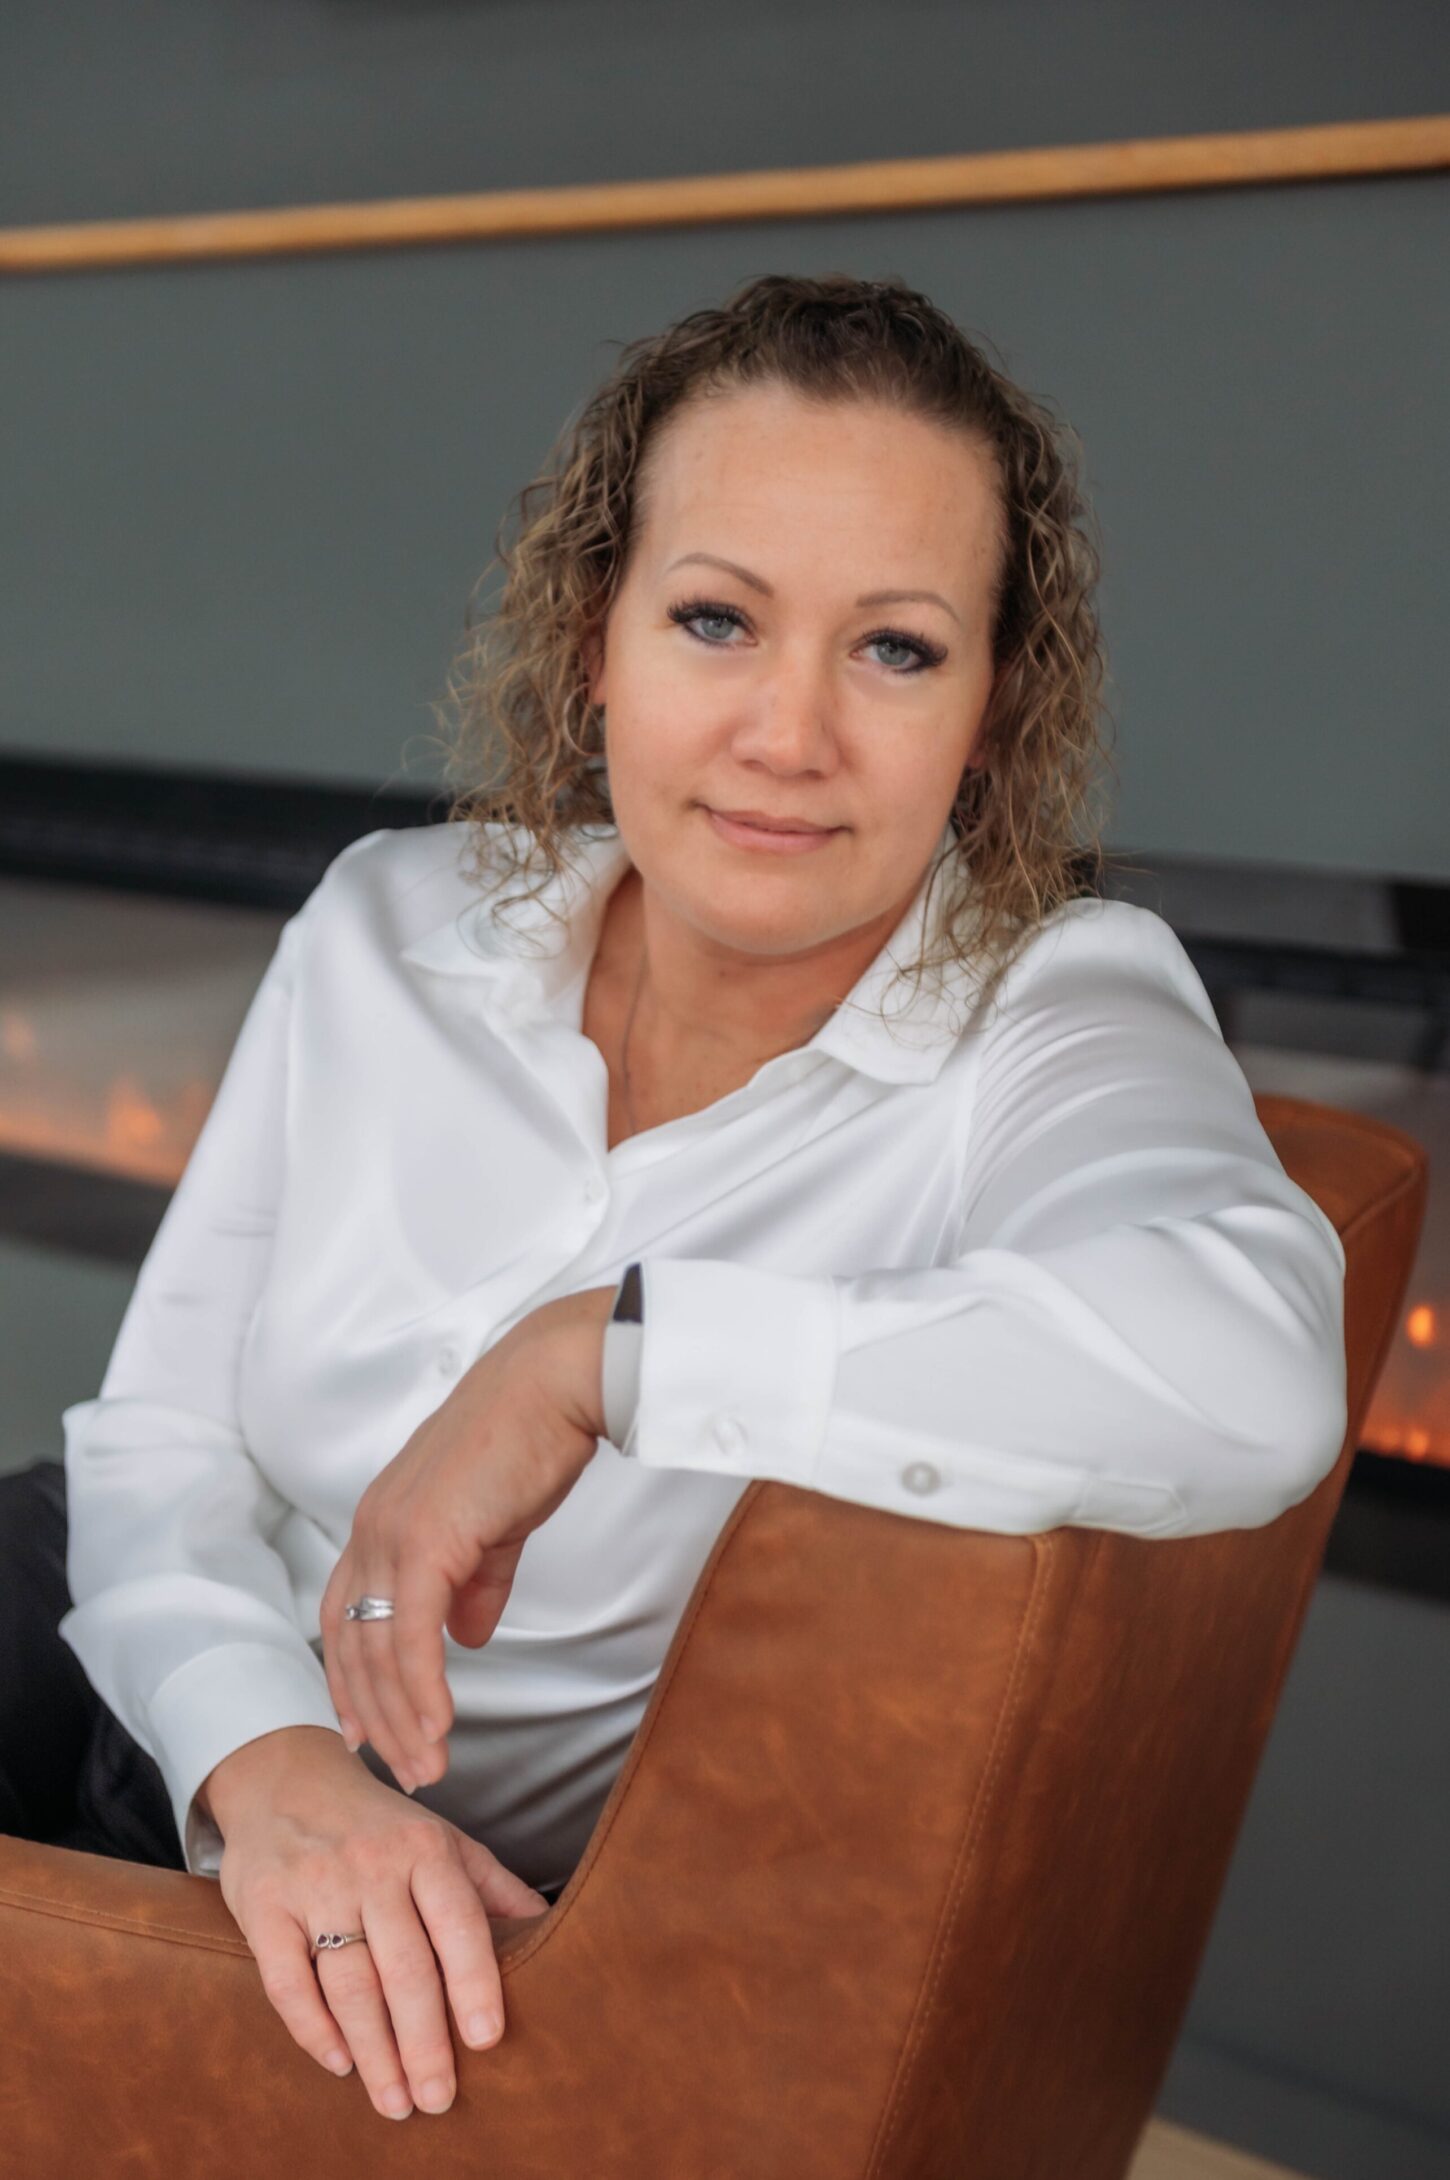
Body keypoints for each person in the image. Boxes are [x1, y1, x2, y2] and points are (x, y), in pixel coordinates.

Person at [5, 272, 1347, 2128]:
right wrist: (273, 1764)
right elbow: (154, 1440)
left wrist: (602, 1356)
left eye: (893, 648)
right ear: (594, 640)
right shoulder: (392, 917)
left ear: (990, 706)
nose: (787, 735)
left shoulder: (1050, 1005)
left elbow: (1258, 1366)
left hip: (454, 1870)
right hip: (162, 1650)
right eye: (716, 619)